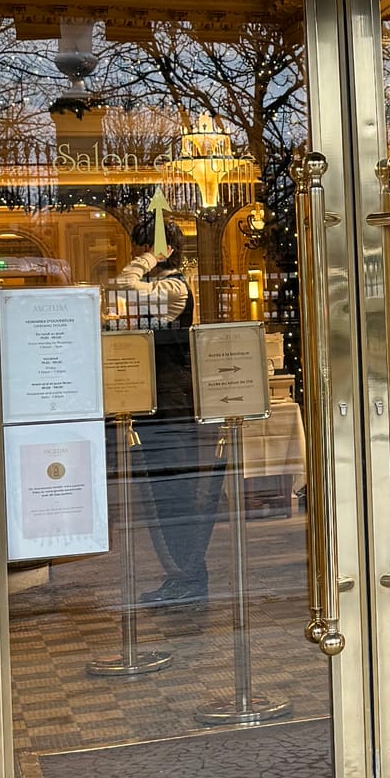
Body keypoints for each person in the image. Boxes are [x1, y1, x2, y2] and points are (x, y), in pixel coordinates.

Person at [116, 224, 224, 607]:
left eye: (144, 245)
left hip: (174, 402)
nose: (138, 253)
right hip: (155, 400)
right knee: (162, 494)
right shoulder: (161, 285)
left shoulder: (174, 288)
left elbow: (125, 284)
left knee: (177, 493)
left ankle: (192, 577)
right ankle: (180, 576)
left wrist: (152, 256)